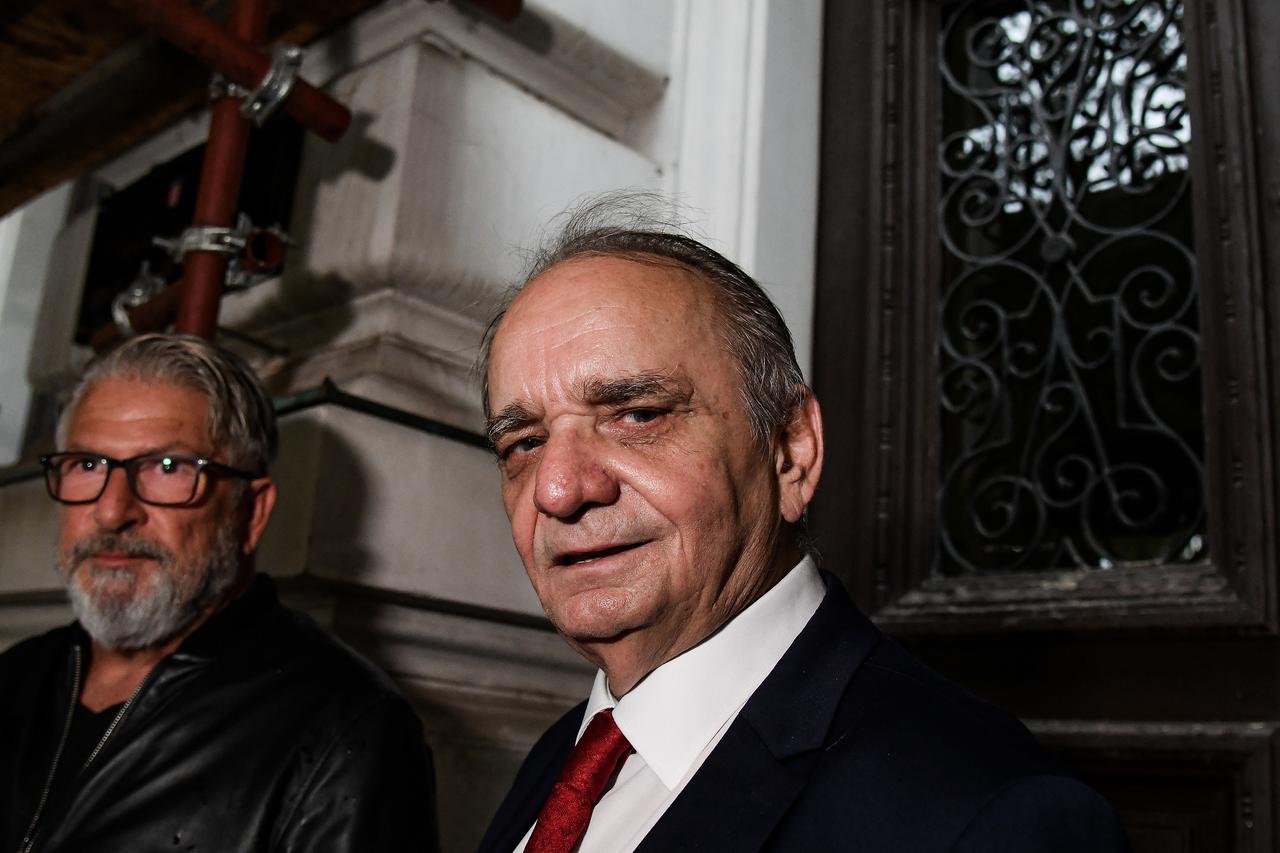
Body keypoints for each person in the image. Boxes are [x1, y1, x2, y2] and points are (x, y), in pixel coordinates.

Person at [476, 198, 1131, 853]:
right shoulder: (562, 757)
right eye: (523, 443)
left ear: (791, 450)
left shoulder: (994, 817)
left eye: (638, 415)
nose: (557, 489)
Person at [0, 333, 438, 853]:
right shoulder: (13, 679)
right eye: (87, 465)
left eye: (168, 468)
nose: (113, 512)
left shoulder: (346, 732)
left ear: (250, 512)